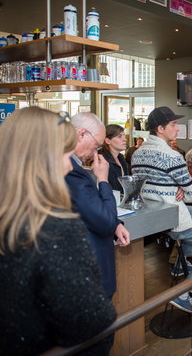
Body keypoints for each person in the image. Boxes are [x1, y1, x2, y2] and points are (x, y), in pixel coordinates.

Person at [0, 107, 116, 355]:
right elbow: (88, 321)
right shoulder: (55, 227)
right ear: (42, 157)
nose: (68, 166)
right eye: (64, 154)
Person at [131, 106, 192, 313]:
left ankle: (181, 264)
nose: (177, 128)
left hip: (152, 212)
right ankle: (186, 294)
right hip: (172, 216)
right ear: (161, 128)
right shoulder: (172, 156)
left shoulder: (137, 153)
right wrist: (180, 189)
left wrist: (176, 188)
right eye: (173, 124)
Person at [66, 113, 131, 301]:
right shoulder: (71, 171)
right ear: (82, 134)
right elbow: (104, 221)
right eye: (96, 145)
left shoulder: (74, 167)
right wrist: (103, 180)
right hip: (89, 271)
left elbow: (89, 208)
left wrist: (117, 224)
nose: (96, 152)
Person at [99, 124, 128, 192]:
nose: (125, 140)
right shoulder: (103, 161)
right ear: (108, 141)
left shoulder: (121, 158)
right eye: (119, 137)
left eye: (124, 136)